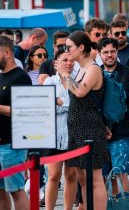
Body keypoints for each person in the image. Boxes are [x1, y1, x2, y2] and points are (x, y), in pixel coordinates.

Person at [56, 31, 107, 210]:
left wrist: (64, 73)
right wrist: (63, 76)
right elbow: (72, 91)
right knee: (82, 178)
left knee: (94, 177)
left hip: (90, 128)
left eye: (69, 47)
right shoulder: (81, 69)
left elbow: (79, 92)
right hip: (76, 127)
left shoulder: (93, 69)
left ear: (81, 47)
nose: (66, 50)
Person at [98, 38, 129, 193]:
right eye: (105, 52)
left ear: (117, 52)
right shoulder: (96, 72)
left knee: (121, 173)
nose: (109, 55)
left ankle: (125, 205)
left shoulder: (126, 72)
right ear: (100, 54)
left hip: (121, 129)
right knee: (103, 175)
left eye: (112, 51)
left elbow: (123, 98)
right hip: (100, 130)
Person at [43, 49, 77, 210]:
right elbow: (47, 107)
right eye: (65, 60)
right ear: (56, 63)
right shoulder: (49, 82)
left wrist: (58, 101)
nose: (68, 63)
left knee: (71, 176)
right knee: (53, 176)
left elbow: (77, 107)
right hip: (53, 134)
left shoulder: (77, 80)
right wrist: (63, 103)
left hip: (72, 134)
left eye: (71, 60)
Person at [0, 35, 31, 210]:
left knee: (16, 191)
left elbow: (24, 111)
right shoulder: (1, 77)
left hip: (12, 144)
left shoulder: (20, 77)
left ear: (7, 52)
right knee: (0, 191)